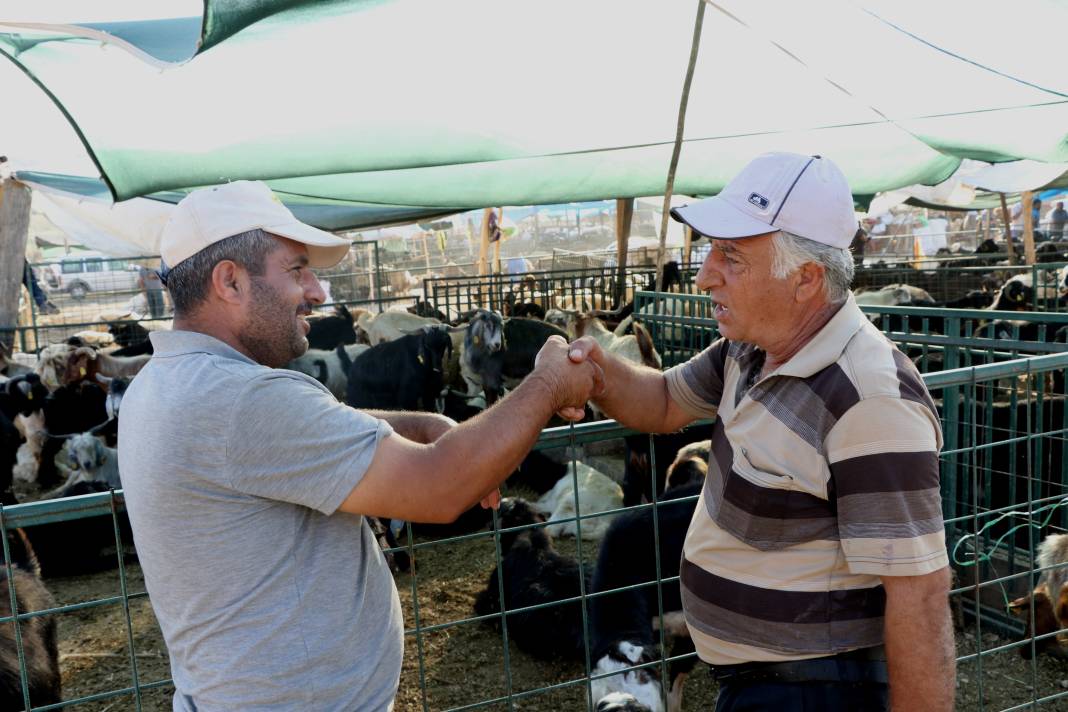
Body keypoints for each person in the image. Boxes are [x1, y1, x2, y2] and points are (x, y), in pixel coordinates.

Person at [117, 180, 602, 711]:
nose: (318, 292)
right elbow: (441, 490)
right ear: (230, 282)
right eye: (296, 270)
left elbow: (296, 436)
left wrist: (417, 424)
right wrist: (550, 383)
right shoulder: (243, 399)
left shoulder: (164, 383)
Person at [567, 153, 954, 712]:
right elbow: (662, 399)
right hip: (753, 681)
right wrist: (592, 370)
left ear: (805, 279)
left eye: (731, 256)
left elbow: (919, 598)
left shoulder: (869, 400)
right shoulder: (750, 349)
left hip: (815, 693)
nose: (704, 275)